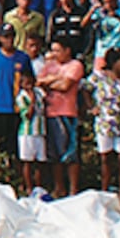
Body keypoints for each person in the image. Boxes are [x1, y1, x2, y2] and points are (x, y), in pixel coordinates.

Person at [85, 48, 120, 203]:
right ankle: (105, 189)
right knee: (106, 157)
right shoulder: (99, 77)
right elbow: (85, 88)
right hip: (104, 121)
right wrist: (92, 107)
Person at [39, 39, 85, 197]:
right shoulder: (49, 66)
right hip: (51, 112)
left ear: (67, 50)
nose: (54, 54)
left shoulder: (75, 65)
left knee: (70, 154)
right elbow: (38, 82)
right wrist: (54, 80)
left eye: (58, 50)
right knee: (54, 154)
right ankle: (59, 187)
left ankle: (73, 189)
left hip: (67, 112)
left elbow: (65, 86)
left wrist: (49, 81)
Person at [0, 23, 34, 161]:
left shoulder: (23, 58)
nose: (8, 40)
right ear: (0, 38)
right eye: (5, 37)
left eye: (11, 37)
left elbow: (30, 82)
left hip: (16, 108)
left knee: (15, 147)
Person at [15, 79, 47, 194]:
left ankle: (39, 187)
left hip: (40, 130)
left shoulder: (39, 93)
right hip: (27, 132)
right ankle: (28, 187)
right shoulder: (21, 97)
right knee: (27, 161)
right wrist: (32, 102)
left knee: (40, 161)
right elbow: (27, 115)